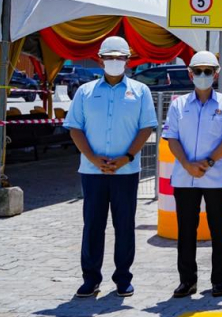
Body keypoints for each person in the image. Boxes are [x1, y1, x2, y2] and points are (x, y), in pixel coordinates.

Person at [64, 36, 157, 298]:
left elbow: (146, 127)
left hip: (126, 171)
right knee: (93, 225)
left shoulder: (140, 91)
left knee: (124, 225)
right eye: (110, 57)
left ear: (128, 60)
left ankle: (123, 277)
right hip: (92, 171)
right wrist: (93, 158)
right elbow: (75, 128)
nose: (115, 62)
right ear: (100, 59)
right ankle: (91, 278)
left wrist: (126, 157)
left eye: (120, 57)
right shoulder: (85, 91)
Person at [162, 51, 222, 298]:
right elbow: (171, 137)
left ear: (216, 74)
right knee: (186, 231)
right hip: (185, 177)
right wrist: (186, 163)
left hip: (215, 176)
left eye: (208, 71)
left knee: (219, 231)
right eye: (198, 71)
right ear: (190, 74)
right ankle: (187, 281)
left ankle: (219, 281)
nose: (203, 75)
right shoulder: (178, 104)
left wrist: (207, 161)